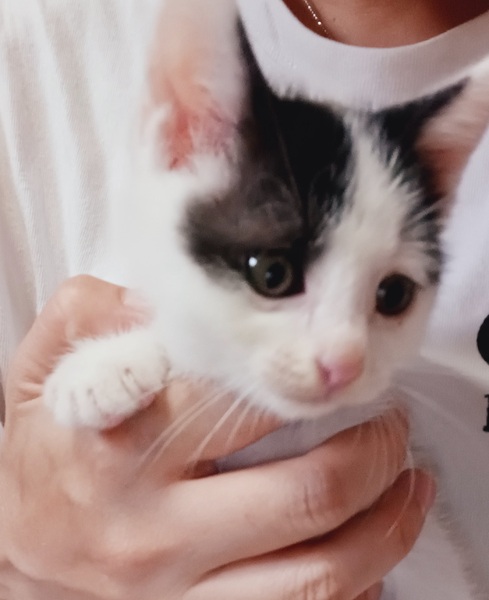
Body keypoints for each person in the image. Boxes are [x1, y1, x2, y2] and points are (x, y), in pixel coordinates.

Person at [0, 1, 488, 599]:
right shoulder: (34, 53)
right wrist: (22, 564)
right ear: (182, 134)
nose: (346, 355)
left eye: (390, 295)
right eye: (275, 275)